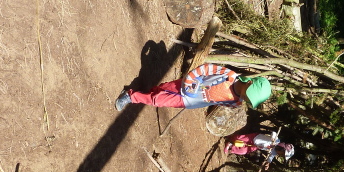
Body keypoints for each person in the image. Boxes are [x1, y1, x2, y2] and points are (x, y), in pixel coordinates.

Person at [114, 63, 271, 111]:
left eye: (250, 100)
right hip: (185, 87)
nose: (246, 99)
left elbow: (218, 102)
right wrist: (190, 81)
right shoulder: (228, 75)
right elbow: (206, 69)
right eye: (249, 95)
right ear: (249, 83)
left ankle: (130, 96)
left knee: (158, 101)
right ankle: (147, 94)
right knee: (163, 89)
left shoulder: (236, 102)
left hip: (189, 102)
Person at [224, 131, 294, 169]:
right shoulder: (277, 140)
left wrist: (268, 162)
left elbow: (271, 156)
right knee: (241, 138)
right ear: (282, 148)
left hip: (256, 146)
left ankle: (230, 146)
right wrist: (273, 138)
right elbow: (274, 133)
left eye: (281, 155)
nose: (280, 154)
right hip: (255, 138)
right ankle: (230, 137)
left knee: (243, 151)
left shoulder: (274, 152)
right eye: (282, 153)